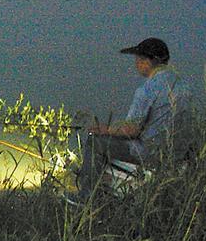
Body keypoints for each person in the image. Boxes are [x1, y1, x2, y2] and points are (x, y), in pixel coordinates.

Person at [76, 37, 188, 199]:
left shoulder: (148, 89)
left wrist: (105, 129)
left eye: (138, 59)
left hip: (150, 153)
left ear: (146, 62)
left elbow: (131, 129)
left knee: (96, 142)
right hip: (176, 154)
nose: (136, 63)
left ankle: (86, 198)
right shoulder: (184, 87)